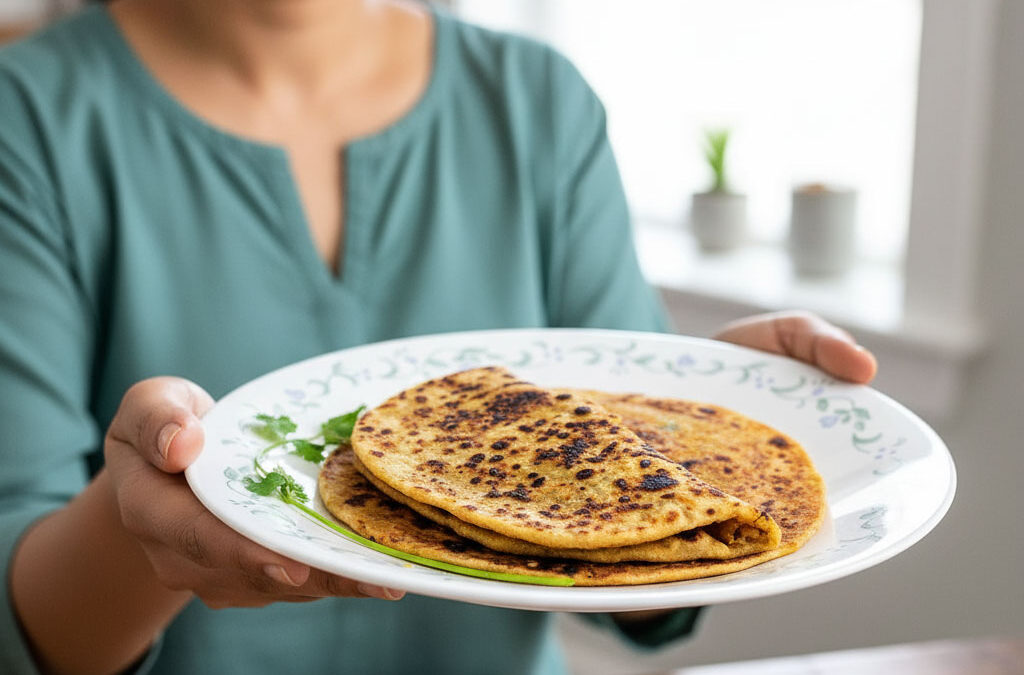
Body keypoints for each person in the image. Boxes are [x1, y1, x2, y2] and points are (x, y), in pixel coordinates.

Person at [0, 1, 877, 673]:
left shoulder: (539, 105)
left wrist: (710, 432)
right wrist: (139, 523)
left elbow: (646, 604)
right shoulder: (26, 122)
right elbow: (22, 637)